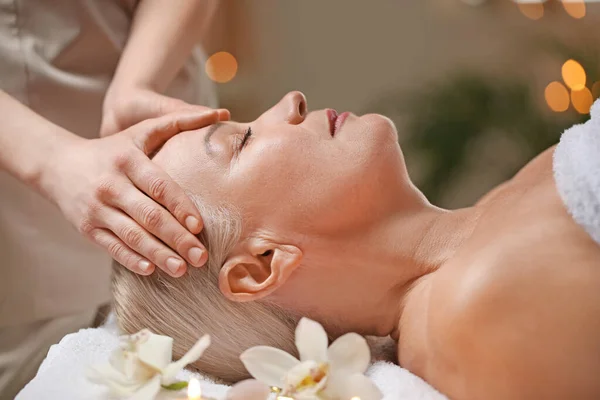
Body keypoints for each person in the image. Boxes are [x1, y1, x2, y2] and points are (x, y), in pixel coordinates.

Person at [113, 91, 600, 399]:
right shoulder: (479, 306)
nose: (291, 101)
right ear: (261, 266)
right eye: (242, 141)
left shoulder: (496, 216)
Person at [0, 1, 226, 398]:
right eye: (242, 140)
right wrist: (49, 161)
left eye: (240, 139)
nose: (291, 106)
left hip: (153, 85)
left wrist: (137, 83)